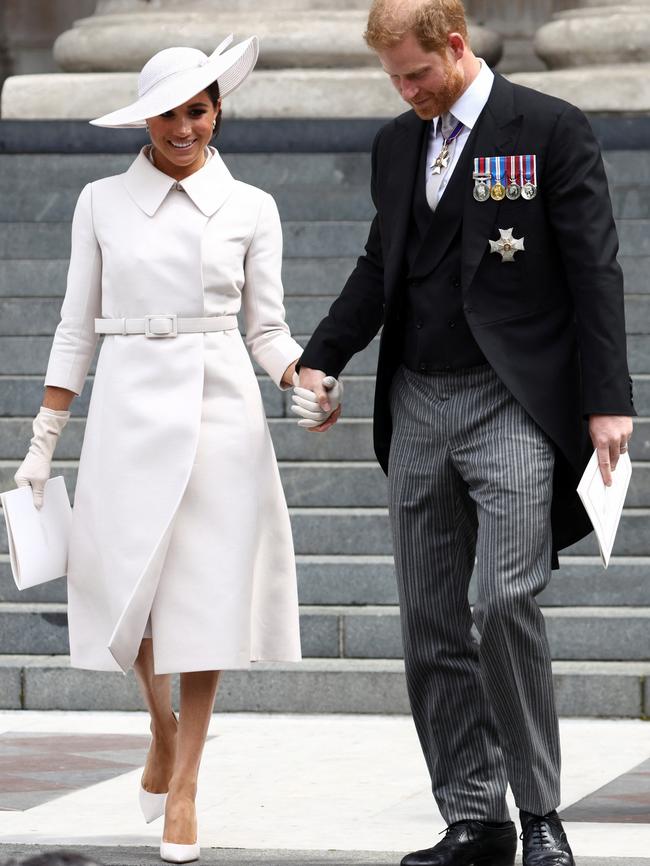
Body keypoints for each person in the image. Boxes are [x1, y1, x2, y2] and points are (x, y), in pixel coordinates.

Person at [293, 1, 634, 864]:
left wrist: (608, 398)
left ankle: (541, 815)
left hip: (510, 401)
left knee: (501, 600)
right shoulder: (397, 144)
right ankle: (474, 818)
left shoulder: (550, 128)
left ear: (456, 44)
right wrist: (319, 358)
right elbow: (381, 266)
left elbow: (595, 266)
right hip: (416, 400)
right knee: (432, 620)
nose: (406, 92)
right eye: (393, 79)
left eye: (416, 73)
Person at [14, 35, 302, 864]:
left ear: (218, 112)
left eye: (200, 109)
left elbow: (267, 328)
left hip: (222, 407)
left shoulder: (252, 206)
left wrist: (299, 378)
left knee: (207, 596)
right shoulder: (99, 201)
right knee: (121, 583)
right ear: (147, 117)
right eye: (172, 112)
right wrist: (42, 444)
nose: (186, 127)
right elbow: (75, 326)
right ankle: (160, 727)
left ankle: (186, 786)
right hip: (129, 401)